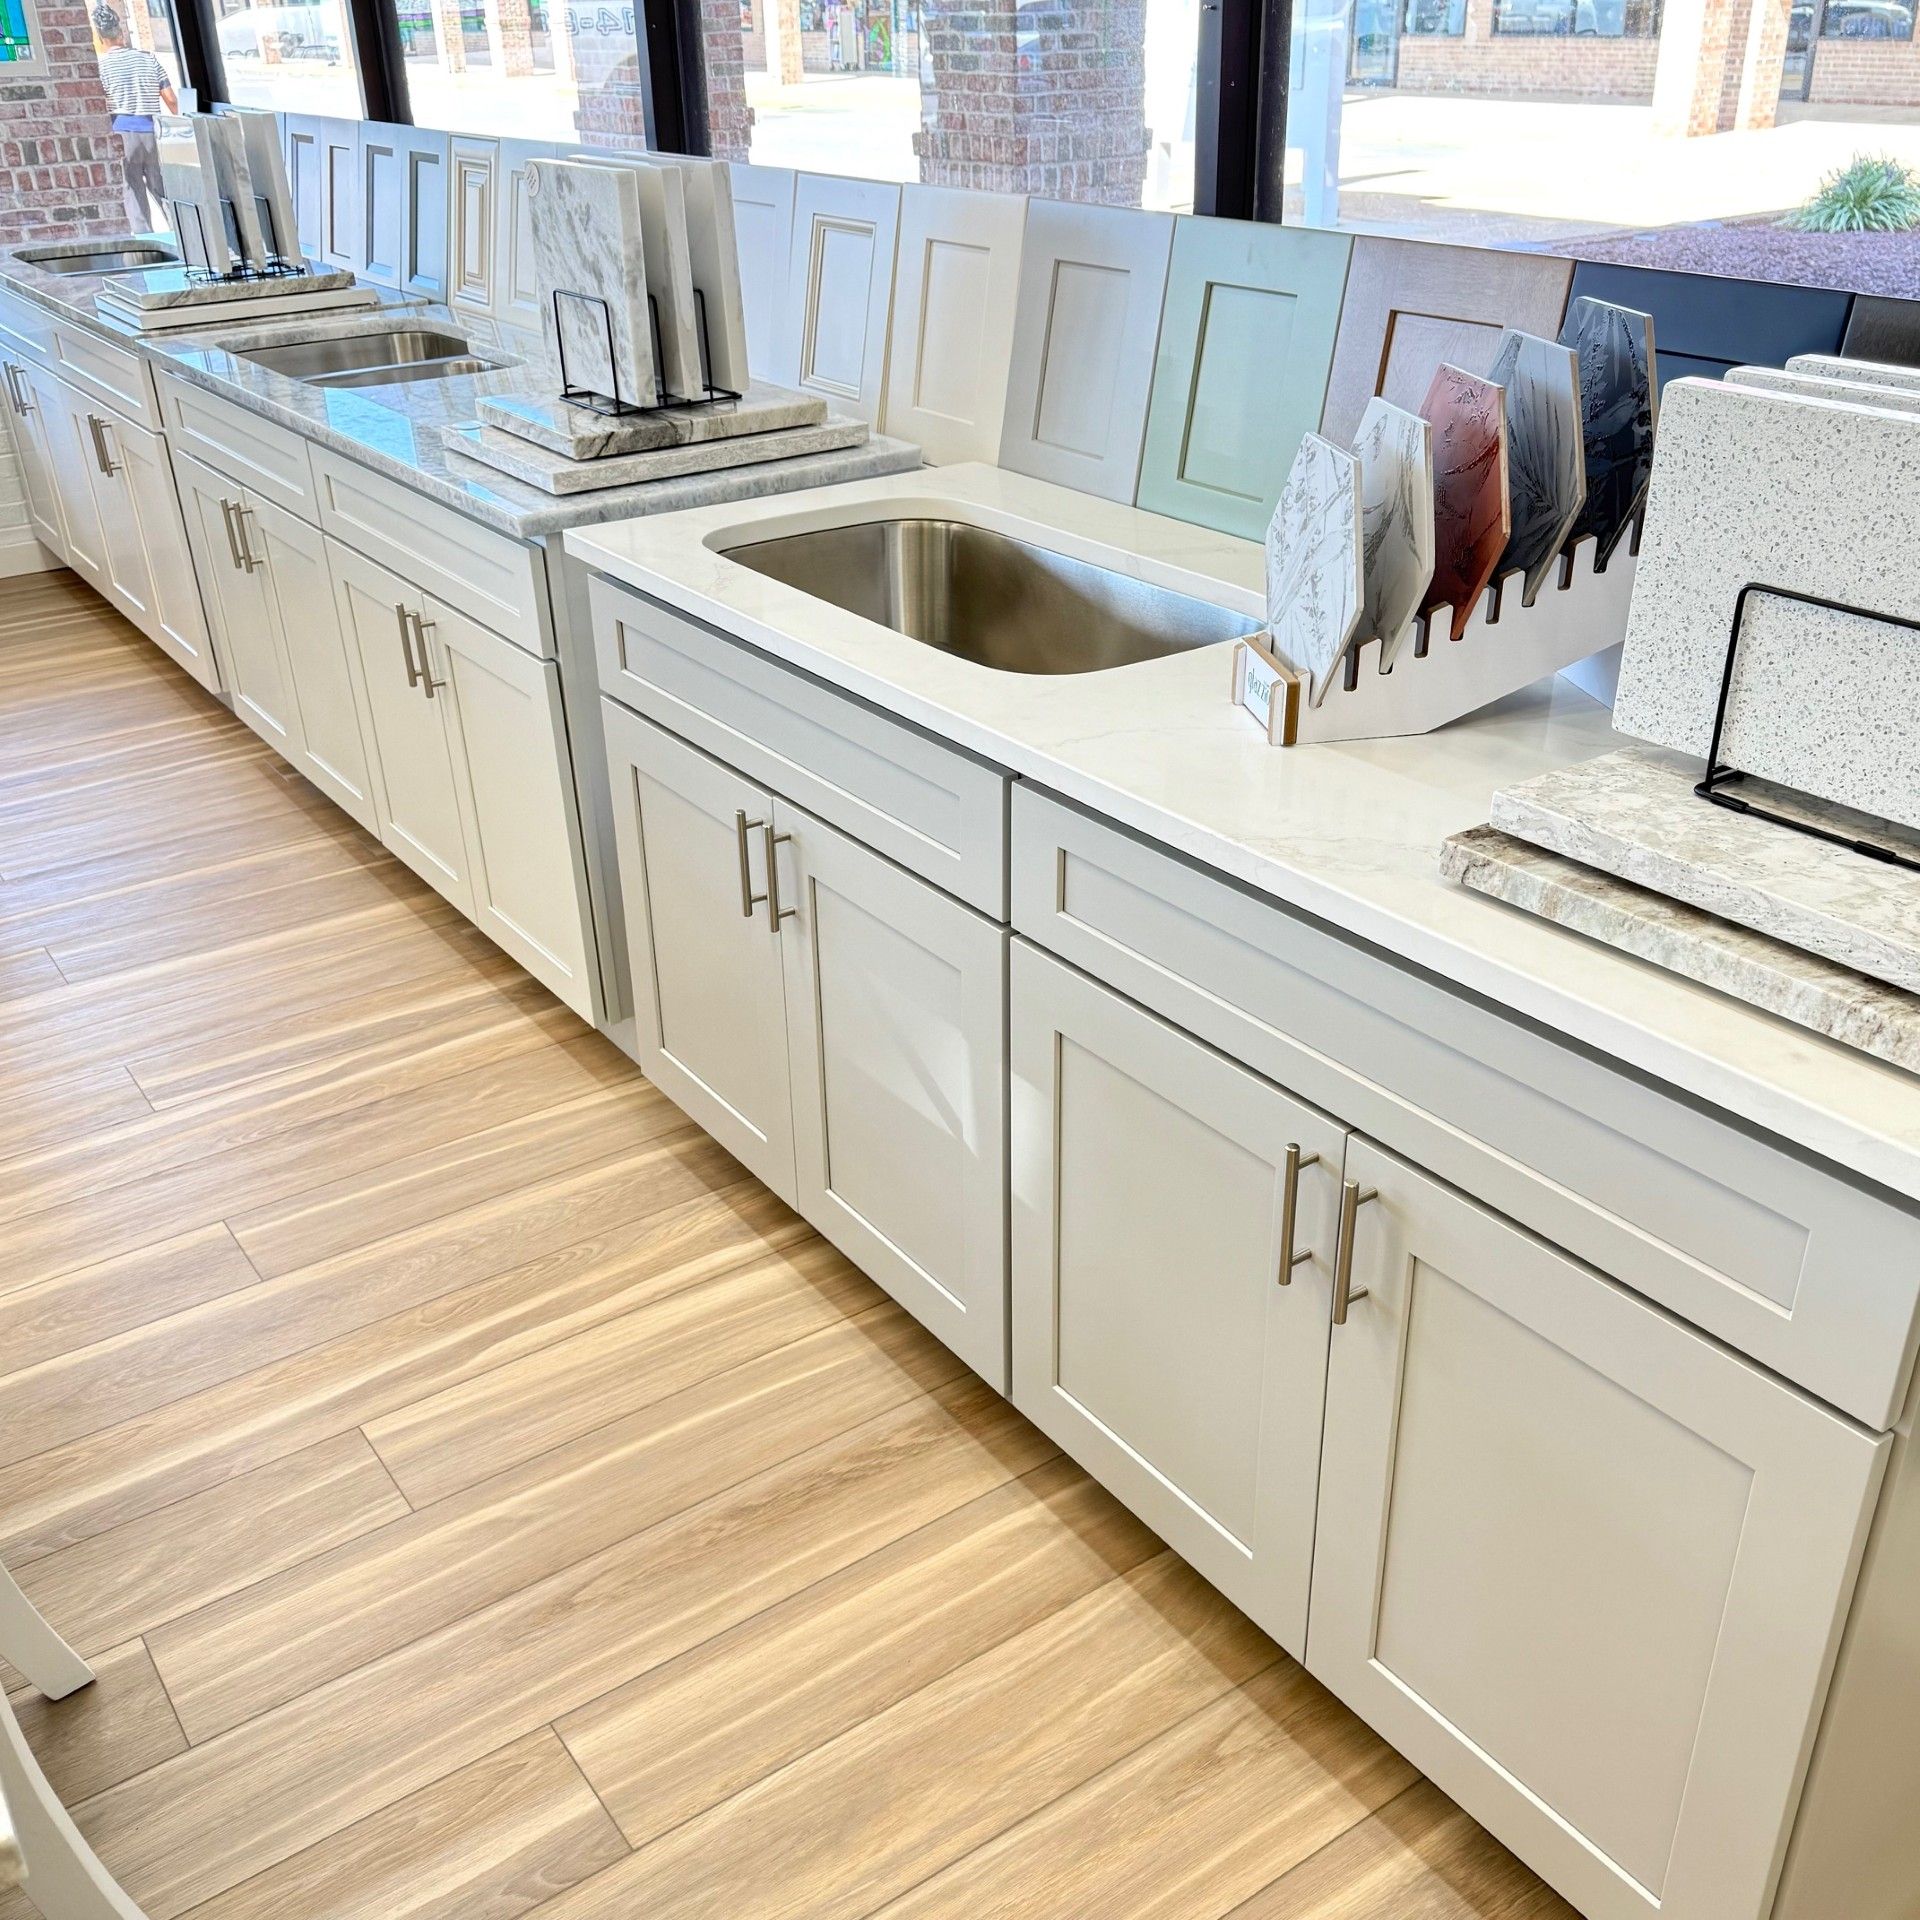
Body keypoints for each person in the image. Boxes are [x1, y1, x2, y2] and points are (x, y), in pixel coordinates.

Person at [93, 6, 178, 235]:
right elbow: (170, 99)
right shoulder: (148, 60)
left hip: (122, 134)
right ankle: (181, 236)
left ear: (101, 38)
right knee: (163, 191)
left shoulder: (101, 67)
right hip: (152, 132)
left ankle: (147, 246)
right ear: (121, 33)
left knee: (133, 193)